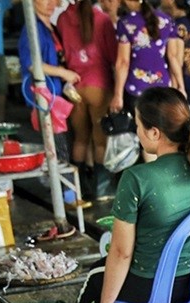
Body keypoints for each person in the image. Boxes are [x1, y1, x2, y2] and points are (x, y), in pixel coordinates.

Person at [79, 87, 190, 303]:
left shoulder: (137, 178)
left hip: (152, 288)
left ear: (155, 132)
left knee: (95, 277)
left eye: (138, 125)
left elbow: (121, 252)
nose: (137, 132)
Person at [57, 0, 117, 198]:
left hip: (74, 87)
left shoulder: (63, 19)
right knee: (100, 142)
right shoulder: (102, 19)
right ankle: (102, 189)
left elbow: (64, 52)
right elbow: (113, 56)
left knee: (80, 140)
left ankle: (77, 188)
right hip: (98, 85)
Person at [18, 0, 81, 166]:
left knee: (62, 144)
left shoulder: (51, 27)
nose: (51, 3)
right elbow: (31, 63)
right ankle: (63, 189)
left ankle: (65, 188)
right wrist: (63, 72)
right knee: (58, 148)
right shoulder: (32, 29)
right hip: (44, 95)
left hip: (56, 95)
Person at [111, 0, 181, 115]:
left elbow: (123, 62)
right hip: (162, 86)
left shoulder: (126, 23)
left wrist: (118, 95)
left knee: (139, 129)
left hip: (136, 87)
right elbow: (173, 57)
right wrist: (180, 86)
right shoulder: (167, 21)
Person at [168, 0, 190, 117]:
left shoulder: (179, 26)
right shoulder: (188, 22)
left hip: (184, 79)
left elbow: (176, 59)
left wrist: (176, 84)